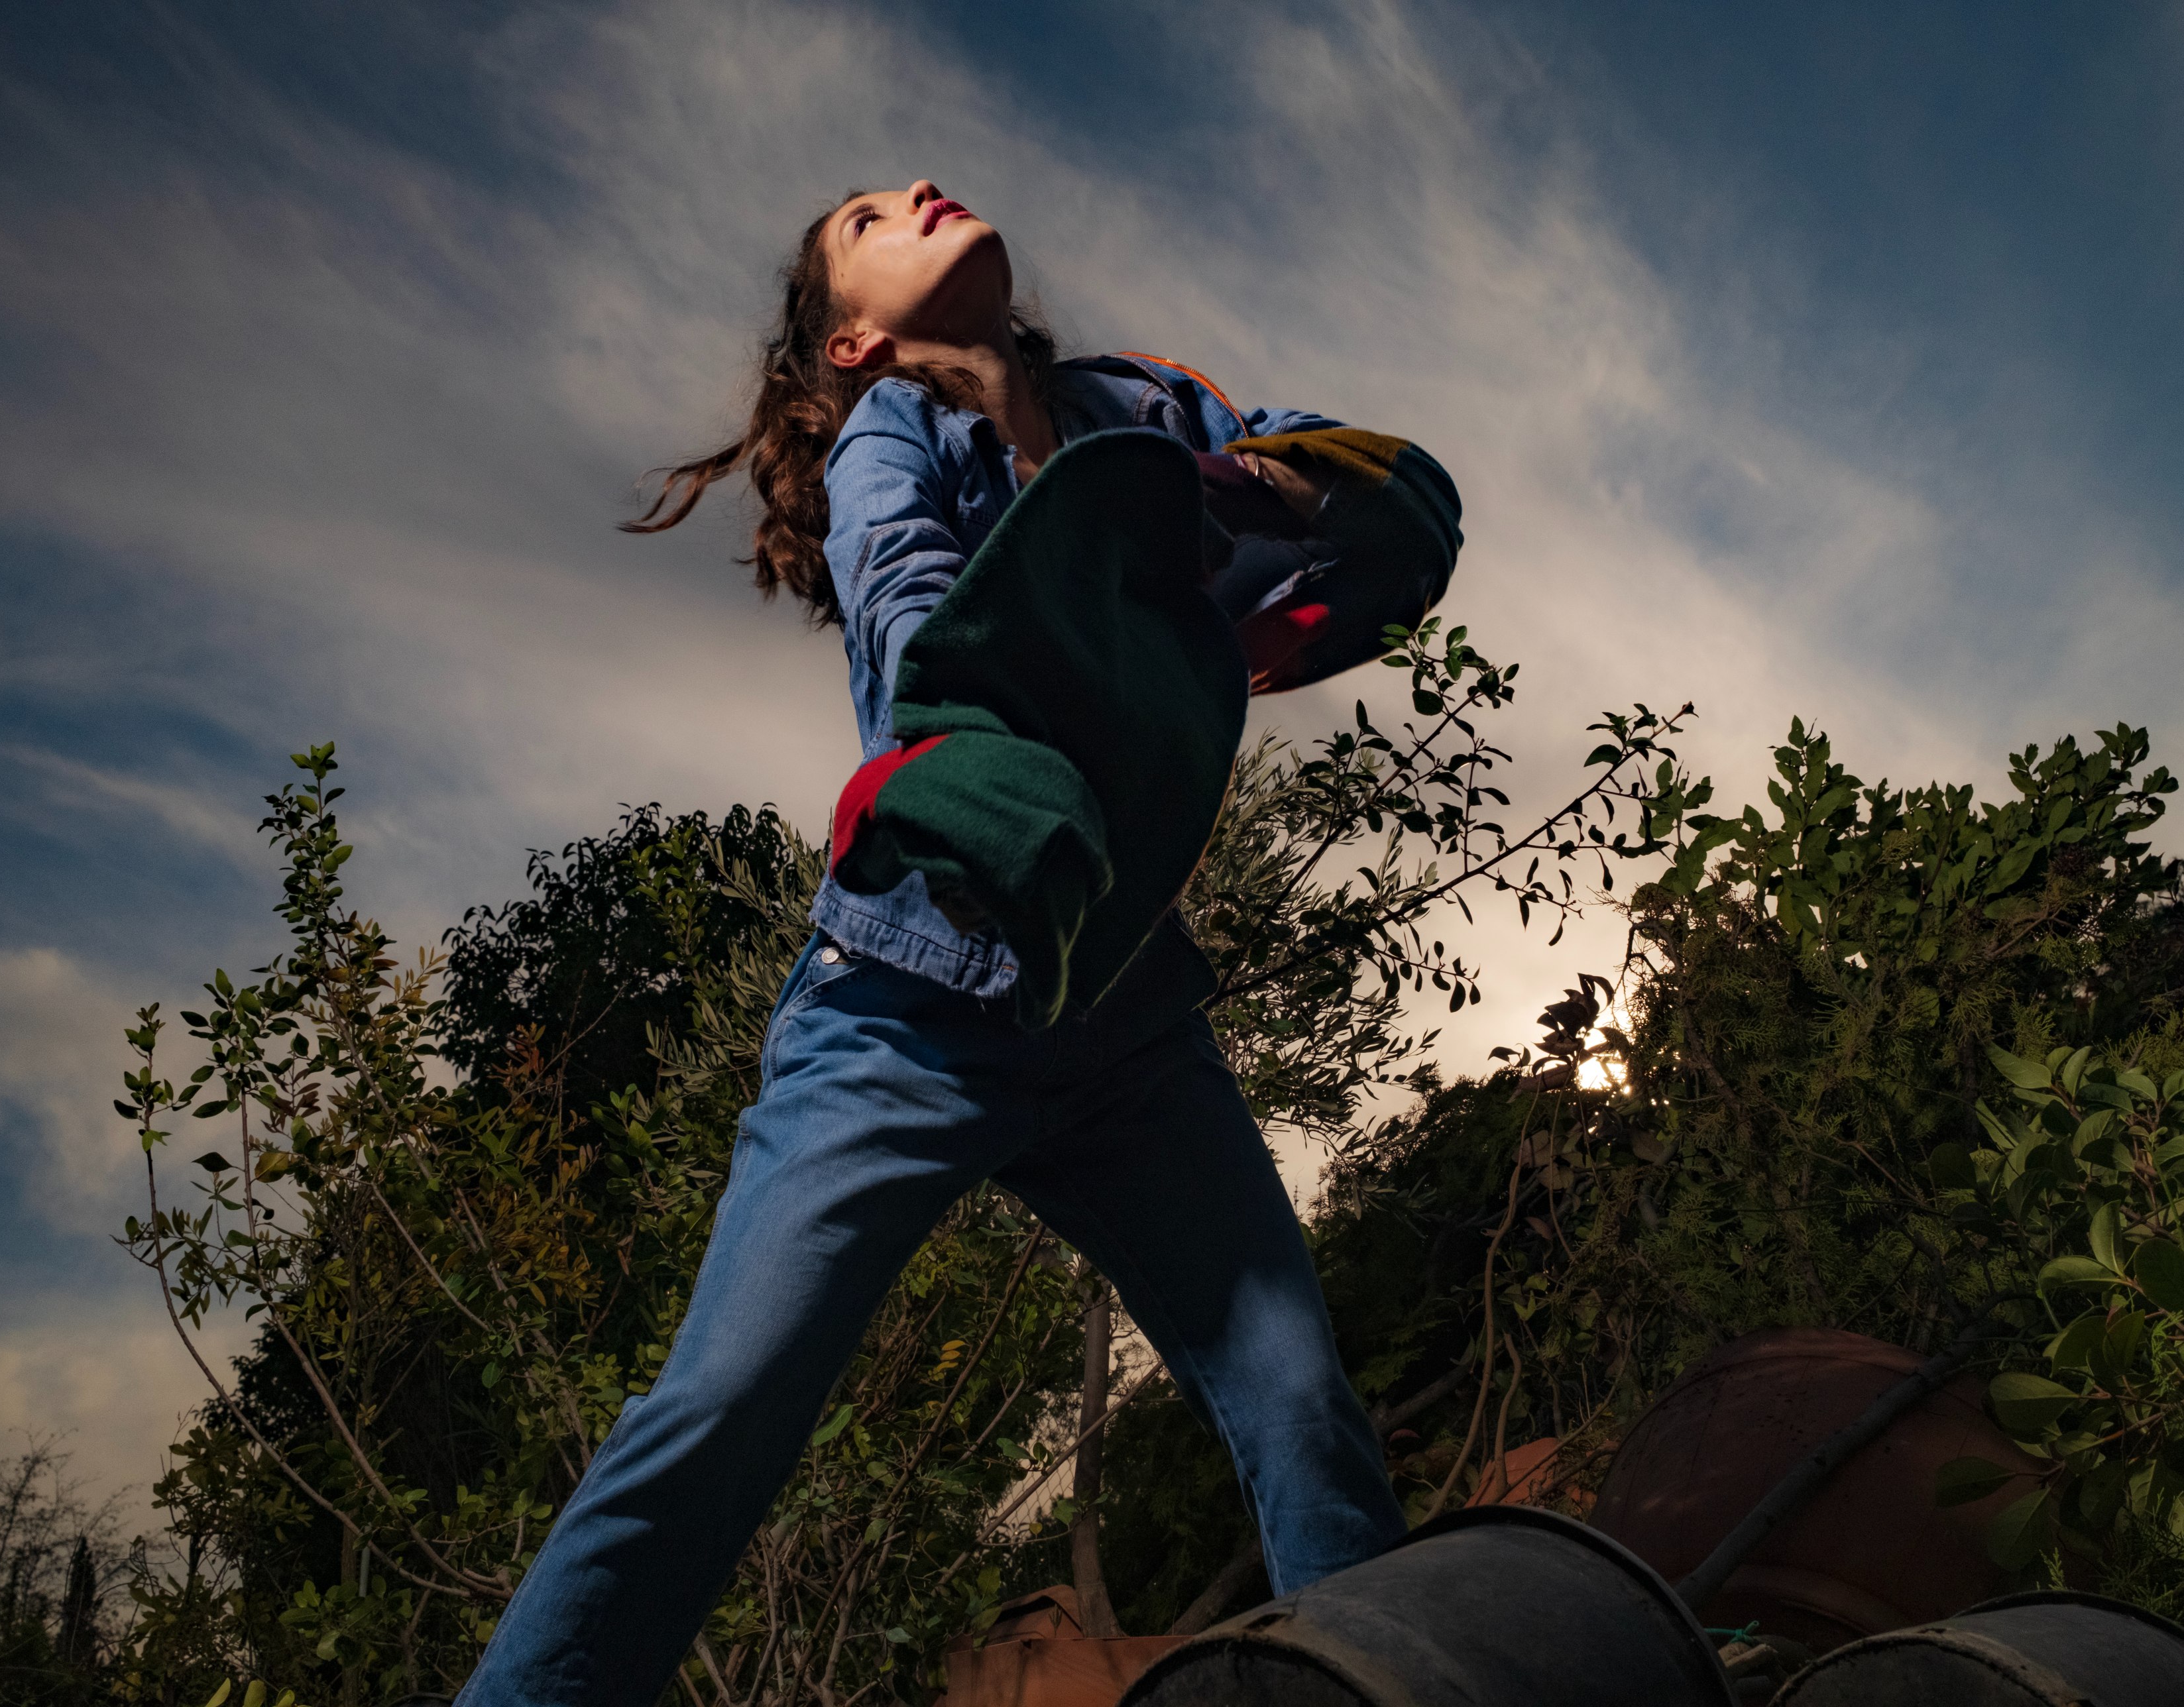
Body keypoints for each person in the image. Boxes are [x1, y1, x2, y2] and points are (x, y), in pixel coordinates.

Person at [458, 180, 1458, 1707]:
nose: (914, 190)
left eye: (912, 183)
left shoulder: (1142, 403)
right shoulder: (885, 440)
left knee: (1302, 1400)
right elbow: (914, 624)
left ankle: (1397, 1685)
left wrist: (1294, 502)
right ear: (851, 339)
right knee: (720, 1410)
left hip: (1121, 1018)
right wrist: (1009, 704)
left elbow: (1359, 499)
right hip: (909, 1000)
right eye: (867, 215)